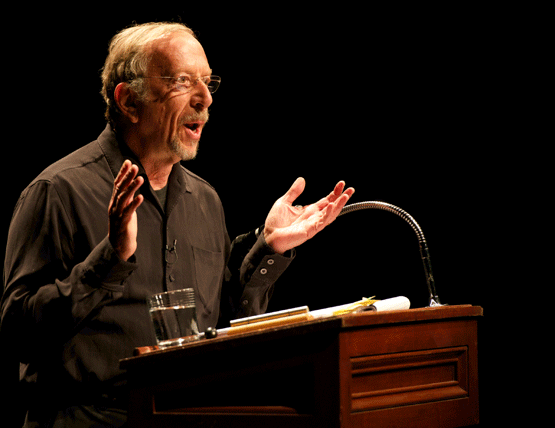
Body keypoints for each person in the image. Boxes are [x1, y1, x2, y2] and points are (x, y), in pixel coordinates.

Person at [0, 22, 354, 427]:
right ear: (129, 101)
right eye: (183, 81)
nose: (205, 99)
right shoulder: (57, 191)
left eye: (207, 82)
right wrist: (110, 258)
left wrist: (268, 247)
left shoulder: (204, 200)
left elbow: (222, 323)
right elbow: (18, 333)